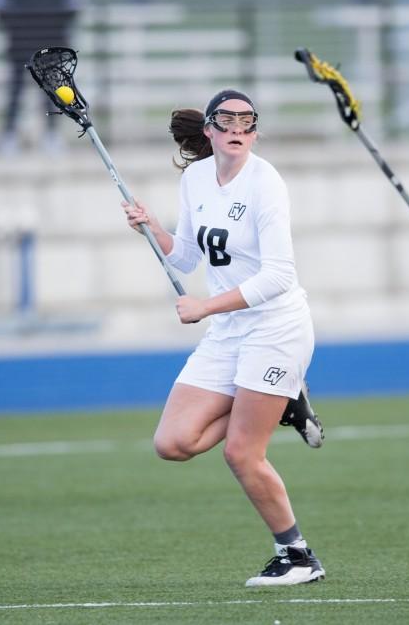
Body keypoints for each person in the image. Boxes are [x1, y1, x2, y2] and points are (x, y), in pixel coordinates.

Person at [122, 89, 325, 586]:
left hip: (275, 327)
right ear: (209, 131)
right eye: (226, 119)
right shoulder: (195, 178)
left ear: (254, 132)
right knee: (172, 443)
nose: (238, 127)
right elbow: (187, 257)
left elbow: (278, 276)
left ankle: (298, 556)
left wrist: (206, 306)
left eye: (247, 121)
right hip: (229, 332)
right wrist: (152, 229)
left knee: (241, 453)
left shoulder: (265, 184)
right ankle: (283, 400)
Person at [0, 0, 82, 154]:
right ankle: (9, 134)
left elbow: (73, 2)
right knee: (16, 88)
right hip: (21, 35)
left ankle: (51, 134)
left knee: (53, 87)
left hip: (51, 35)